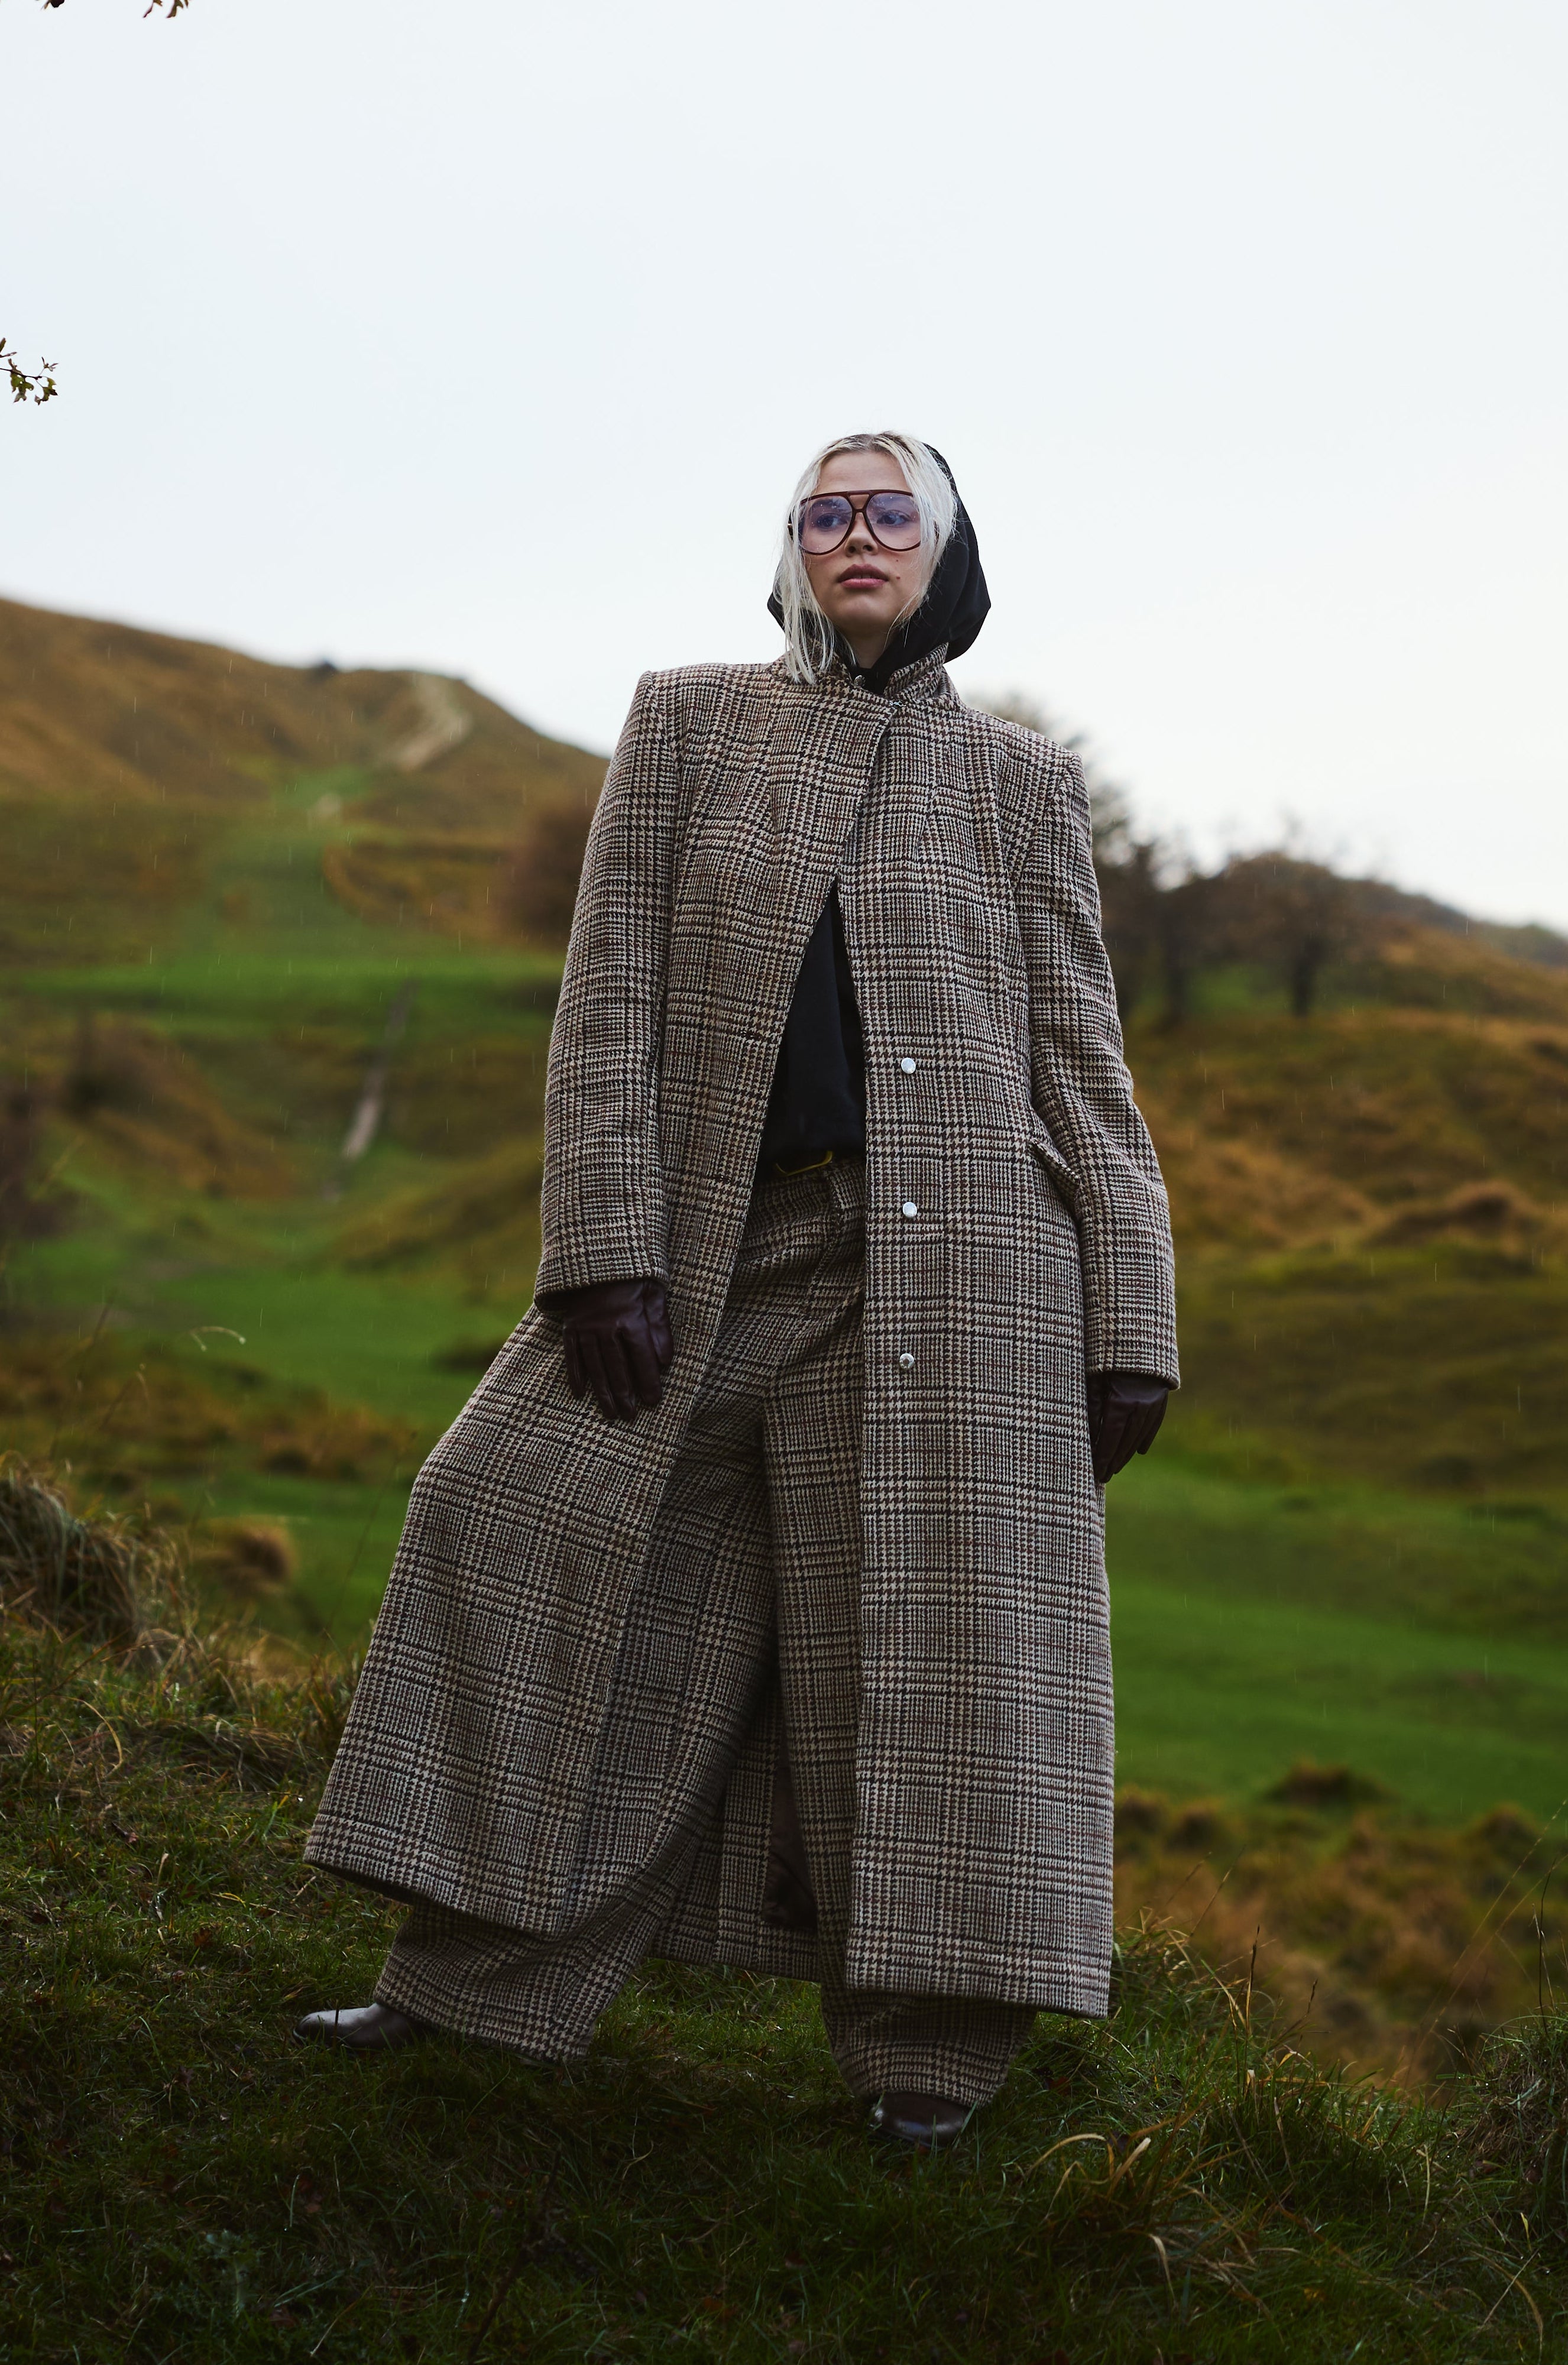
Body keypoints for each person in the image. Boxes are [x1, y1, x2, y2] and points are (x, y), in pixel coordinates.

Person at [299, 433, 1177, 2147]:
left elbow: (1080, 1054)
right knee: (508, 1513)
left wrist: (1130, 1316)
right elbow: (608, 994)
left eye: (891, 513)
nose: (857, 537)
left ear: (945, 551)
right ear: (789, 551)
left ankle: (928, 2064)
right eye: (824, 512)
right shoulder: (688, 725)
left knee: (932, 1653)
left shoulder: (1022, 782)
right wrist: (599, 1249)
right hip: (713, 1248)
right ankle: (473, 1985)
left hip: (965, 1277)